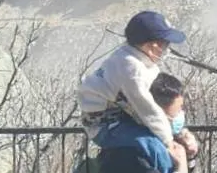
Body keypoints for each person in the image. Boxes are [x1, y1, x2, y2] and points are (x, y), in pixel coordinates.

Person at [78, 10, 187, 157]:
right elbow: (149, 111)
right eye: (165, 43)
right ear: (152, 45)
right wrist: (169, 141)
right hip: (104, 127)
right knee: (154, 148)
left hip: (122, 115)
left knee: (155, 143)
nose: (167, 49)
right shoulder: (131, 69)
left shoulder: (135, 58)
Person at [98, 73, 210, 173]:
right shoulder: (132, 150)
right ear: (154, 113)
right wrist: (180, 172)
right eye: (175, 113)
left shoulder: (152, 142)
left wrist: (189, 157)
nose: (181, 115)